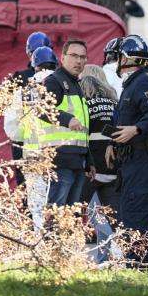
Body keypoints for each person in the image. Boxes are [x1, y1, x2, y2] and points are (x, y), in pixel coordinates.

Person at [105, 34, 148, 265]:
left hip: (141, 159)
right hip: (129, 160)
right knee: (130, 211)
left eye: (119, 57)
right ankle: (139, 260)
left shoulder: (143, 82)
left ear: (127, 58)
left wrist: (136, 130)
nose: (116, 61)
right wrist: (112, 143)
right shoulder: (130, 86)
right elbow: (123, 120)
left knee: (137, 211)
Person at [4, 46, 58, 232]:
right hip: (63, 154)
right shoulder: (65, 85)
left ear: (34, 65)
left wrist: (27, 135)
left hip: (34, 155)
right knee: (61, 204)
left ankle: (40, 246)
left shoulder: (24, 91)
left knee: (37, 207)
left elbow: (12, 129)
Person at [42, 38, 94, 206]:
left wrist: (89, 161)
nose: (79, 61)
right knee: (56, 214)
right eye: (74, 55)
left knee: (69, 216)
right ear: (62, 57)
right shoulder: (54, 81)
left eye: (83, 57)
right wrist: (67, 119)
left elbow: (81, 131)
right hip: (60, 160)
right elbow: (41, 109)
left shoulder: (76, 85)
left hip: (77, 161)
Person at [79, 64, 120, 263]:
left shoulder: (84, 101)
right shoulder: (114, 101)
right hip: (111, 164)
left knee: (80, 209)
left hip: (92, 164)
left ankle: (71, 254)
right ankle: (107, 257)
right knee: (111, 214)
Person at [10, 31, 53, 186]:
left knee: (28, 192)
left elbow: (6, 110)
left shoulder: (18, 78)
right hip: (58, 145)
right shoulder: (63, 78)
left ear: (29, 53)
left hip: (25, 144)